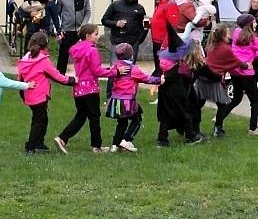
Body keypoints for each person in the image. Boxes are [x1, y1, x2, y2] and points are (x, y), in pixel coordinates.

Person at [54, 24, 129, 154]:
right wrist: (116, 72)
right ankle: (96, 146)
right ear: (88, 36)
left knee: (81, 115)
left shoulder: (76, 49)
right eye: (95, 34)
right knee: (94, 117)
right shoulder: (92, 50)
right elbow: (97, 71)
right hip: (90, 89)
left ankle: (62, 138)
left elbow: (92, 70)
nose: (97, 36)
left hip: (78, 88)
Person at [17, 32, 76, 155]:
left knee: (42, 119)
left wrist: (22, 93)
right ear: (45, 44)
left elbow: (20, 77)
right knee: (38, 121)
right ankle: (31, 146)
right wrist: (73, 80)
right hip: (39, 96)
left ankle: (39, 143)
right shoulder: (43, 60)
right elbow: (57, 76)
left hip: (28, 93)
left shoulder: (26, 57)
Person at [107, 42, 161, 153]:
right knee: (137, 119)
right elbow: (146, 78)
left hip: (116, 100)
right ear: (131, 55)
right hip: (127, 101)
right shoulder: (133, 69)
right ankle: (127, 140)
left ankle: (115, 145)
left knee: (121, 123)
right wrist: (160, 80)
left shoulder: (116, 66)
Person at [102, 0, 147, 95]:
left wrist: (139, 40)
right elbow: (104, 20)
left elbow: (145, 26)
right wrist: (116, 23)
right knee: (114, 69)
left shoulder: (140, 8)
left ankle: (127, 94)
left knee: (129, 70)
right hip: (117, 42)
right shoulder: (115, 5)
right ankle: (110, 95)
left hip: (133, 43)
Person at [202, 25, 247, 138]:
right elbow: (236, 62)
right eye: (227, 33)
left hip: (203, 78)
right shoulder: (225, 49)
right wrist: (246, 65)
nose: (229, 36)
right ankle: (218, 128)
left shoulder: (210, 46)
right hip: (214, 79)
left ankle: (192, 128)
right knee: (223, 104)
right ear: (222, 35)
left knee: (198, 104)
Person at [55, 0, 92, 74]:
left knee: (82, 54)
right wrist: (59, 28)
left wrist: (83, 26)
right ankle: (60, 75)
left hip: (80, 31)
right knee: (63, 55)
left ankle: (82, 74)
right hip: (66, 30)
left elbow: (88, 12)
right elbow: (57, 13)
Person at [149, 0, 179, 75]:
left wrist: (165, 44)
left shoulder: (171, 4)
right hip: (156, 40)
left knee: (162, 68)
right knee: (158, 67)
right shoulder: (160, 4)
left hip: (162, 42)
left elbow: (172, 26)